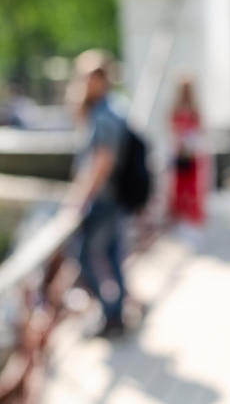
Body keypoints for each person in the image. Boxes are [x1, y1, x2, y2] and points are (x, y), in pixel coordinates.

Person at [64, 49, 128, 335]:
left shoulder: (103, 116)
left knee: (85, 257)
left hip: (102, 198)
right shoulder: (111, 108)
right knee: (113, 255)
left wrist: (81, 197)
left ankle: (111, 311)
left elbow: (102, 162)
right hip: (113, 196)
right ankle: (117, 312)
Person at [169, 77, 208, 226]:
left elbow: (200, 128)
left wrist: (191, 142)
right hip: (179, 151)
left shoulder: (195, 108)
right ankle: (180, 214)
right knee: (179, 185)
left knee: (192, 185)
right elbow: (172, 127)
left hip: (192, 153)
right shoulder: (175, 107)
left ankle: (192, 215)